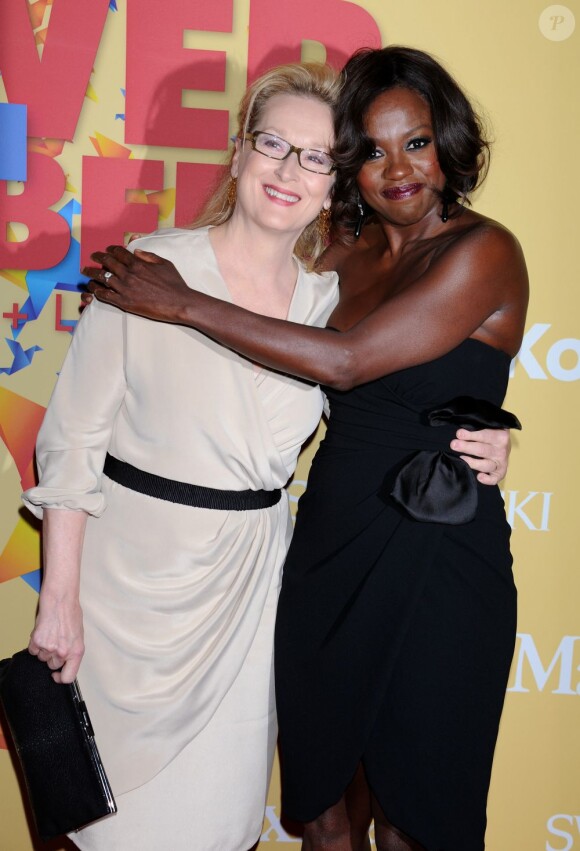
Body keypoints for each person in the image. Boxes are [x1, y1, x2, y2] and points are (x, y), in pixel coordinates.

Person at [84, 47, 528, 851]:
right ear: (347, 167)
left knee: (412, 817)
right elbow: (255, 294)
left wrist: (178, 304)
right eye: (373, 150)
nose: (399, 169)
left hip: (439, 551)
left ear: (449, 143)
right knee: (323, 808)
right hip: (329, 542)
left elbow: (349, 361)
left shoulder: (484, 250)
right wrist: (157, 289)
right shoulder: (338, 252)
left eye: (417, 143)